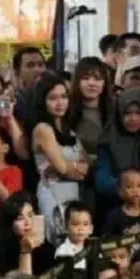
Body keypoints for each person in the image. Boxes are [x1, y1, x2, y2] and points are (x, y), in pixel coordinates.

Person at [31, 73, 89, 244]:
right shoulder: (42, 129)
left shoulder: (69, 131)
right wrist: (70, 167)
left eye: (64, 96)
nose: (60, 102)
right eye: (53, 98)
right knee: (60, 243)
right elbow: (63, 168)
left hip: (72, 192)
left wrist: (68, 168)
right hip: (52, 193)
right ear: (43, 101)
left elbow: (86, 165)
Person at [68, 56, 113, 160]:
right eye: (85, 78)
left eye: (98, 79)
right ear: (77, 81)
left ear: (104, 83)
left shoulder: (114, 111)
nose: (92, 83)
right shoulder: (66, 110)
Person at [55, 201, 92, 269]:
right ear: (66, 227)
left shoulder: (94, 249)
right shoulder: (62, 251)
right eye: (75, 224)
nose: (81, 229)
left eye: (85, 224)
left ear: (91, 229)